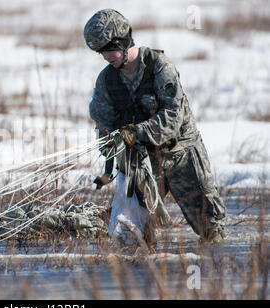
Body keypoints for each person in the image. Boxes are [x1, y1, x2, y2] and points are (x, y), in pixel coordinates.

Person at [84, 9, 227, 243]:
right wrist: (109, 142)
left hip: (181, 155)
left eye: (109, 49)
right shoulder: (106, 81)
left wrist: (136, 132)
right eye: (101, 52)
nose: (105, 56)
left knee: (212, 230)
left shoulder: (159, 66)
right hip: (142, 163)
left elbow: (172, 117)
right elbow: (103, 120)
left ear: (122, 41)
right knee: (133, 236)